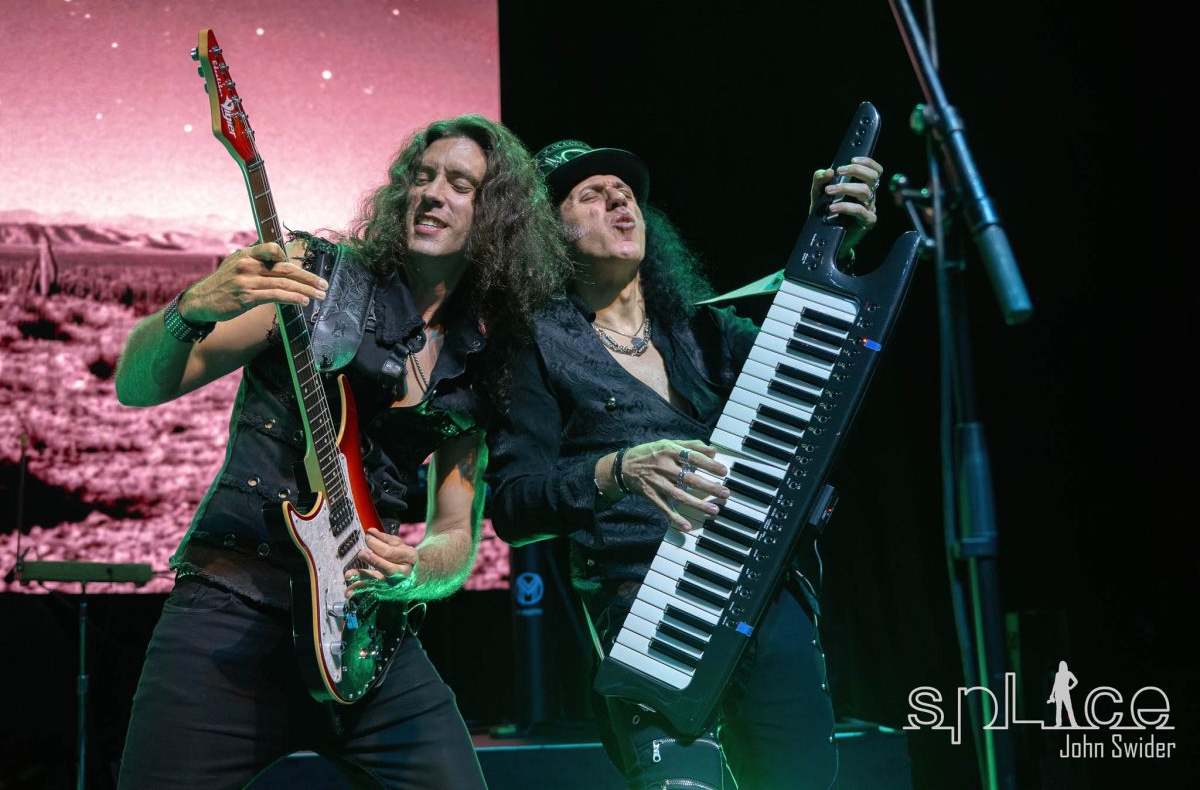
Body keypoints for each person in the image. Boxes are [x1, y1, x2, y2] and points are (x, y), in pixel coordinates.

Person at [113, 114, 565, 789]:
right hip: (231, 609)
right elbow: (136, 385)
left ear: (495, 216)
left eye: (459, 183)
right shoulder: (317, 279)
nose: (431, 193)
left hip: (364, 636)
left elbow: (454, 531)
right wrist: (192, 309)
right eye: (423, 176)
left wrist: (418, 570)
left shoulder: (480, 364)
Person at [484, 139, 882, 789]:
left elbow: (822, 373)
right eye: (590, 194)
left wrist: (832, 244)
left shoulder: (710, 333)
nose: (618, 199)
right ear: (548, 237)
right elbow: (513, 504)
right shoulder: (534, 348)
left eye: (624, 192)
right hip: (647, 608)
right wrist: (619, 470)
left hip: (765, 595)